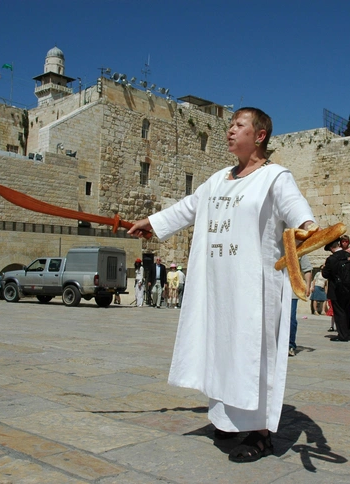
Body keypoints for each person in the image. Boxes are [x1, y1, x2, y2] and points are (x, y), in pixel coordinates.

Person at [128, 107, 315, 463]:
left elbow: (298, 212)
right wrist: (150, 222)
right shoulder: (217, 180)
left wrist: (311, 229)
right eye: (230, 125)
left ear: (259, 135)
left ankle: (261, 434)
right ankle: (227, 421)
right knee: (220, 351)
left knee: (252, 355)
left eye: (239, 125)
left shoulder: (275, 177)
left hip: (253, 288)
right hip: (218, 286)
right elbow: (188, 208)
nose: (230, 131)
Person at [322, 239, 350, 342]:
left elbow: (325, 274)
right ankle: (347, 333)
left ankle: (342, 335)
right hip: (348, 288)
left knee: (339, 313)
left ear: (331, 248)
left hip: (336, 289)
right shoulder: (347, 255)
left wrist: (323, 268)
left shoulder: (331, 259)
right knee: (346, 311)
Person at [289, 255, 313, 357]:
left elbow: (307, 269)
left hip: (291, 289)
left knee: (291, 318)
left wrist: (308, 285)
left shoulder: (298, 247)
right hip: (274, 289)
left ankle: (290, 345)